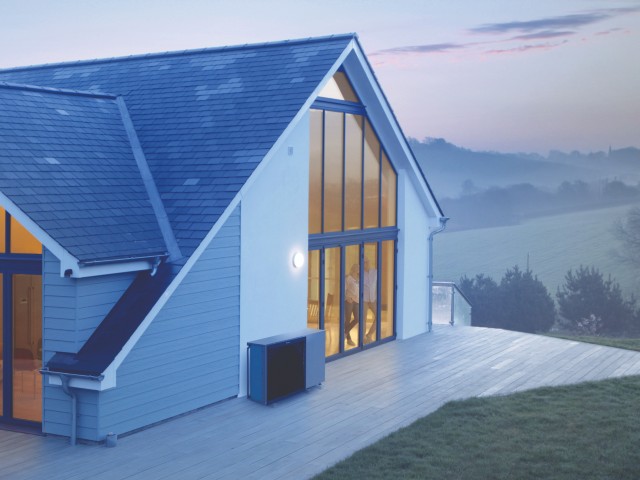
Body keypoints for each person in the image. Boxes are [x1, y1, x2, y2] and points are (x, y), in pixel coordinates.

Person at [344, 263, 359, 347]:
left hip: (357, 301)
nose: (359, 269)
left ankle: (345, 333)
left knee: (357, 318)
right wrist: (346, 298)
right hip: (349, 301)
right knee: (348, 320)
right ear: (353, 268)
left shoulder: (359, 278)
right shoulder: (348, 278)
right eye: (357, 267)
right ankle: (349, 339)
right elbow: (344, 289)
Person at [363, 256, 377, 343]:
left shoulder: (375, 272)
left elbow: (378, 285)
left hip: (373, 299)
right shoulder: (360, 273)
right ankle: (363, 337)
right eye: (364, 262)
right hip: (364, 300)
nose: (366, 264)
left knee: (378, 317)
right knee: (363, 319)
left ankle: (370, 334)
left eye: (367, 262)